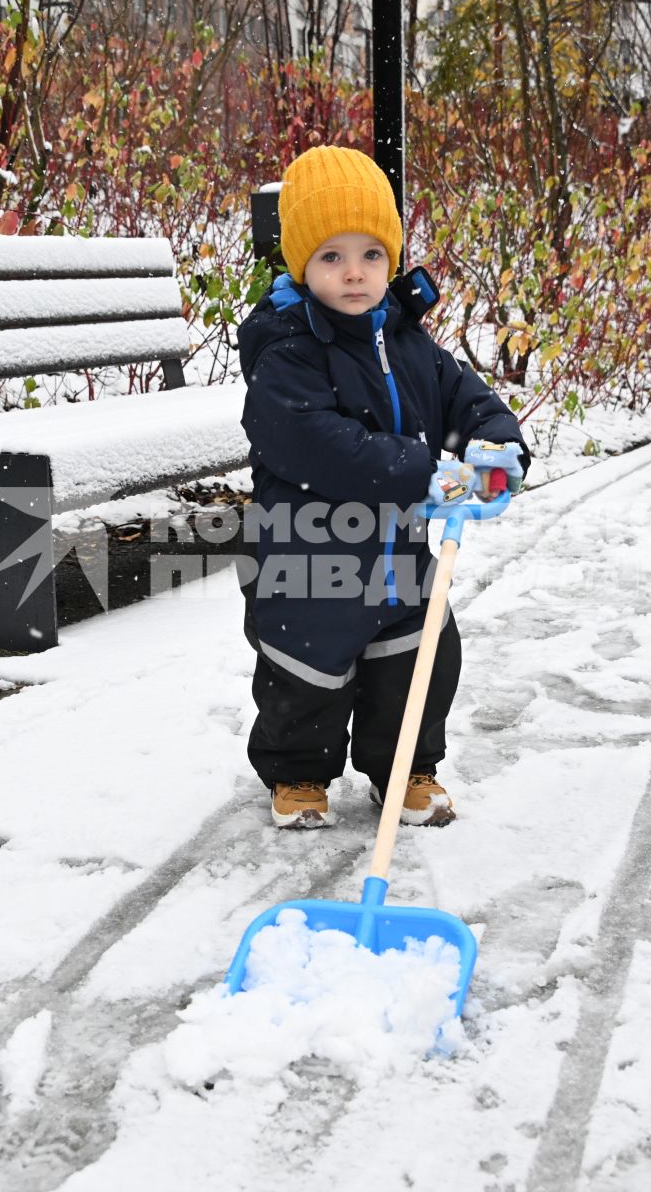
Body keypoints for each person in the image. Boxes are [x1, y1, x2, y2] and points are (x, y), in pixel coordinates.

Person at [237, 146, 530, 830]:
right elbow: (321, 446)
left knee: (417, 661)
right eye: (332, 256)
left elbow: (463, 395)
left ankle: (405, 769)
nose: (354, 273)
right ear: (301, 263)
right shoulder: (286, 350)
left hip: (402, 550)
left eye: (371, 254)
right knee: (306, 671)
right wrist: (429, 473)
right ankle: (299, 773)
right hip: (311, 556)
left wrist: (494, 442)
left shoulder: (405, 339)